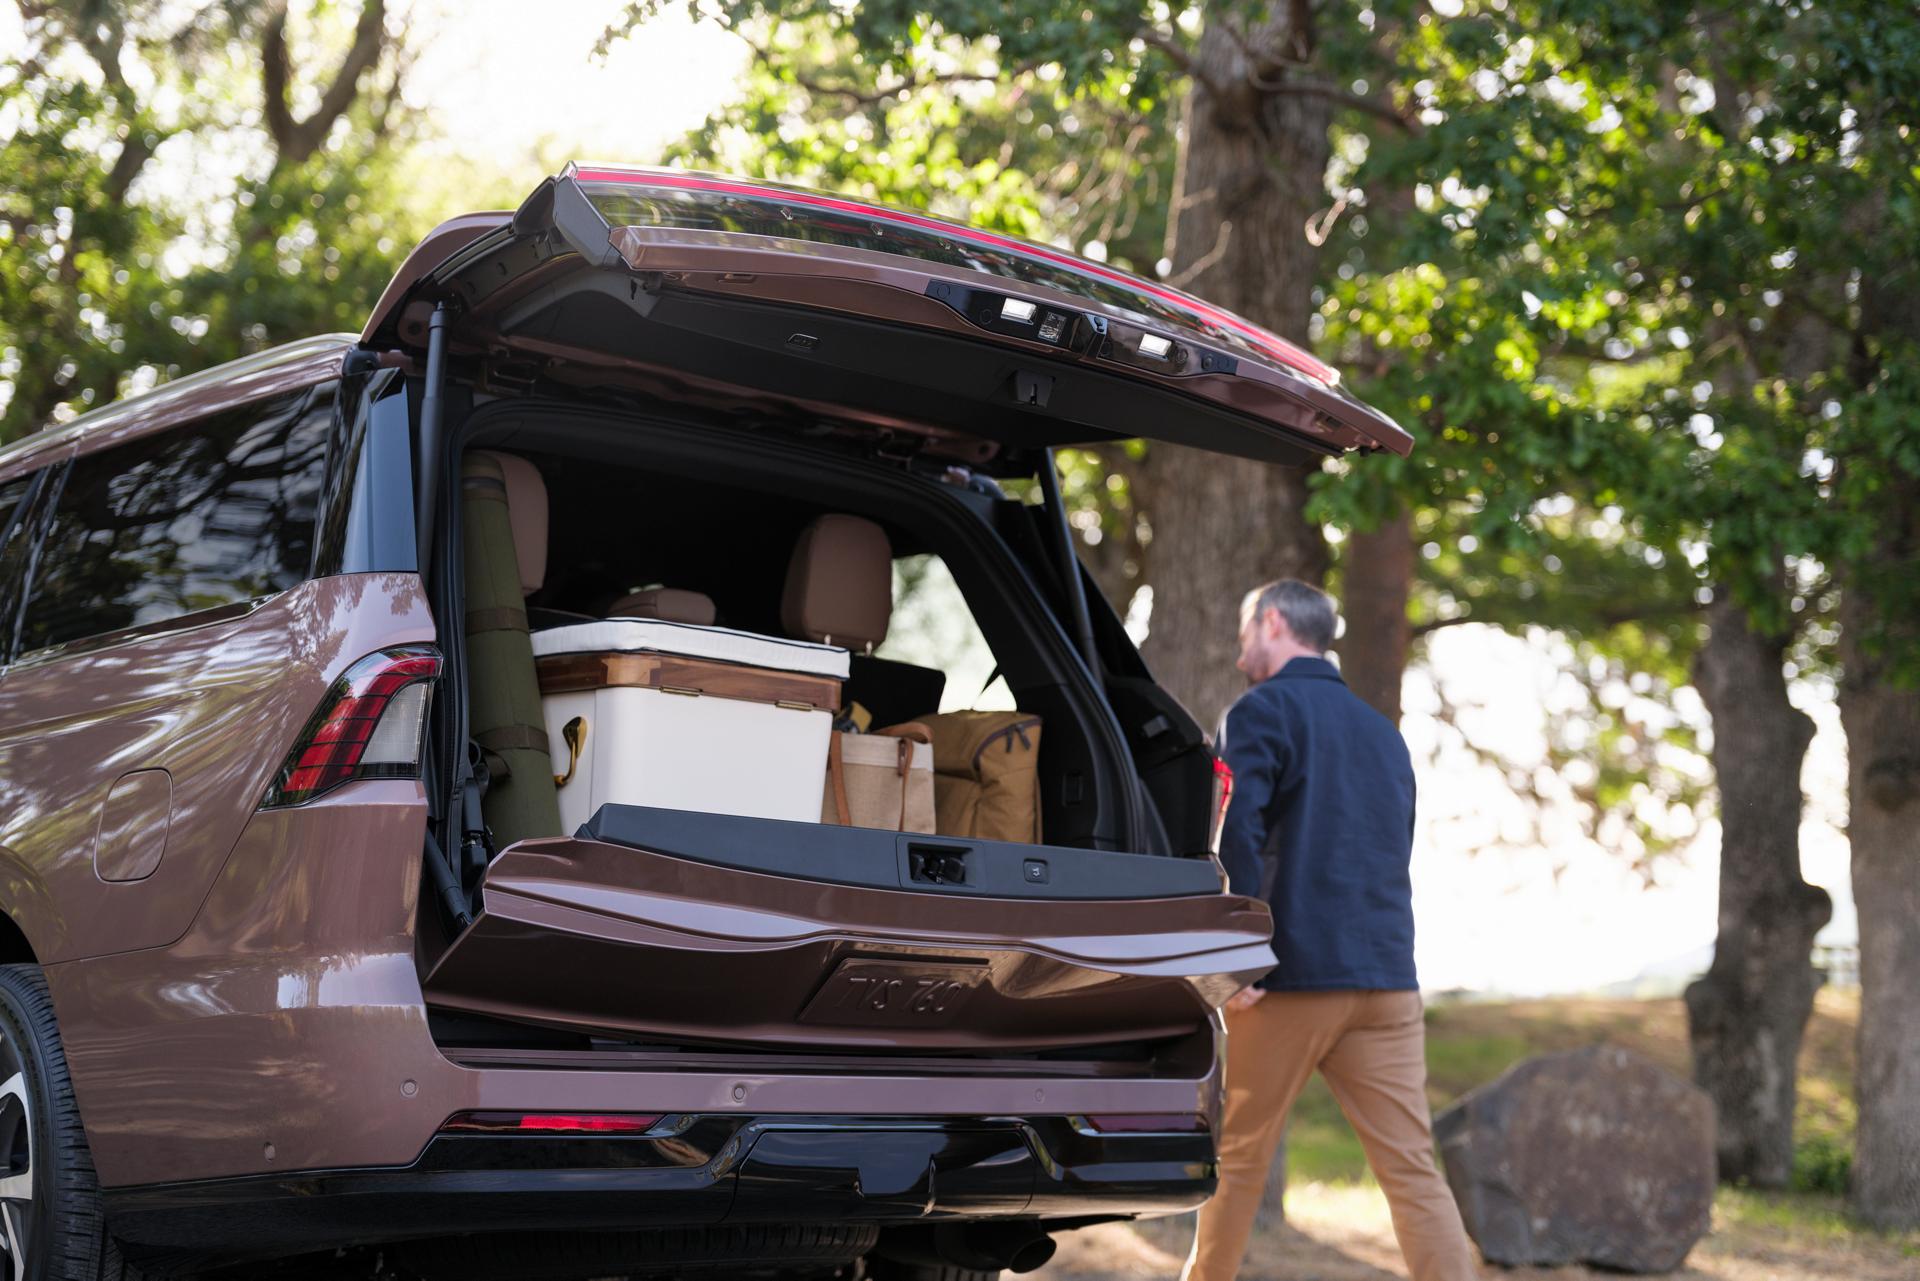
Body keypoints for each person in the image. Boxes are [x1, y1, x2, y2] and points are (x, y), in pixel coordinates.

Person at [1182, 579, 1477, 1281]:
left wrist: (1238, 958)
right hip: (1386, 982)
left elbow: (1238, 836)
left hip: (1289, 979)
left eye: (1245, 627)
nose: (1238, 646)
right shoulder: (1383, 732)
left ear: (1275, 622)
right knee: (1411, 1169)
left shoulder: (1260, 712)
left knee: (1239, 1156)